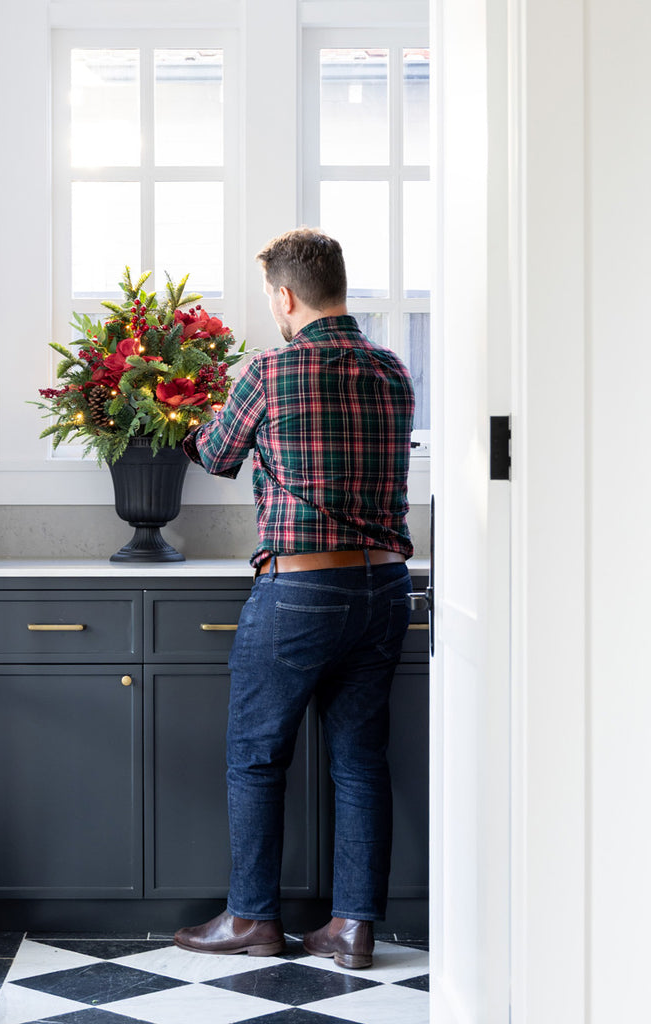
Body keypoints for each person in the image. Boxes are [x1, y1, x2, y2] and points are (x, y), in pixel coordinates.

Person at [173, 228, 415, 970]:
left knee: (255, 756)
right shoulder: (394, 371)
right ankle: (351, 929)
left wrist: (186, 423)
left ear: (283, 296)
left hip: (303, 586)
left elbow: (215, 455)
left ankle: (252, 918)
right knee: (361, 761)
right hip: (385, 584)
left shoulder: (270, 370)